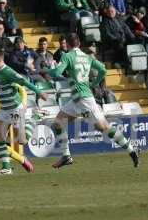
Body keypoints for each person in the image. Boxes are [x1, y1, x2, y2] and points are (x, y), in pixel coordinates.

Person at [41, 33, 140, 169]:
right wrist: (94, 83)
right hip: (77, 98)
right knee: (58, 122)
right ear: (79, 44)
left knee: (103, 127)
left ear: (68, 45)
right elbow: (103, 70)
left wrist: (45, 70)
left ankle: (131, 149)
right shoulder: (87, 57)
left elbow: (57, 73)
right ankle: (66, 156)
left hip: (83, 98)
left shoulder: (67, 56)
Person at [0, 50, 47, 175]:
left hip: (15, 108)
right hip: (4, 109)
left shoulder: (8, 72)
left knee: (22, 141)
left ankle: (35, 117)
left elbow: (24, 82)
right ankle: (6, 168)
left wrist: (39, 92)